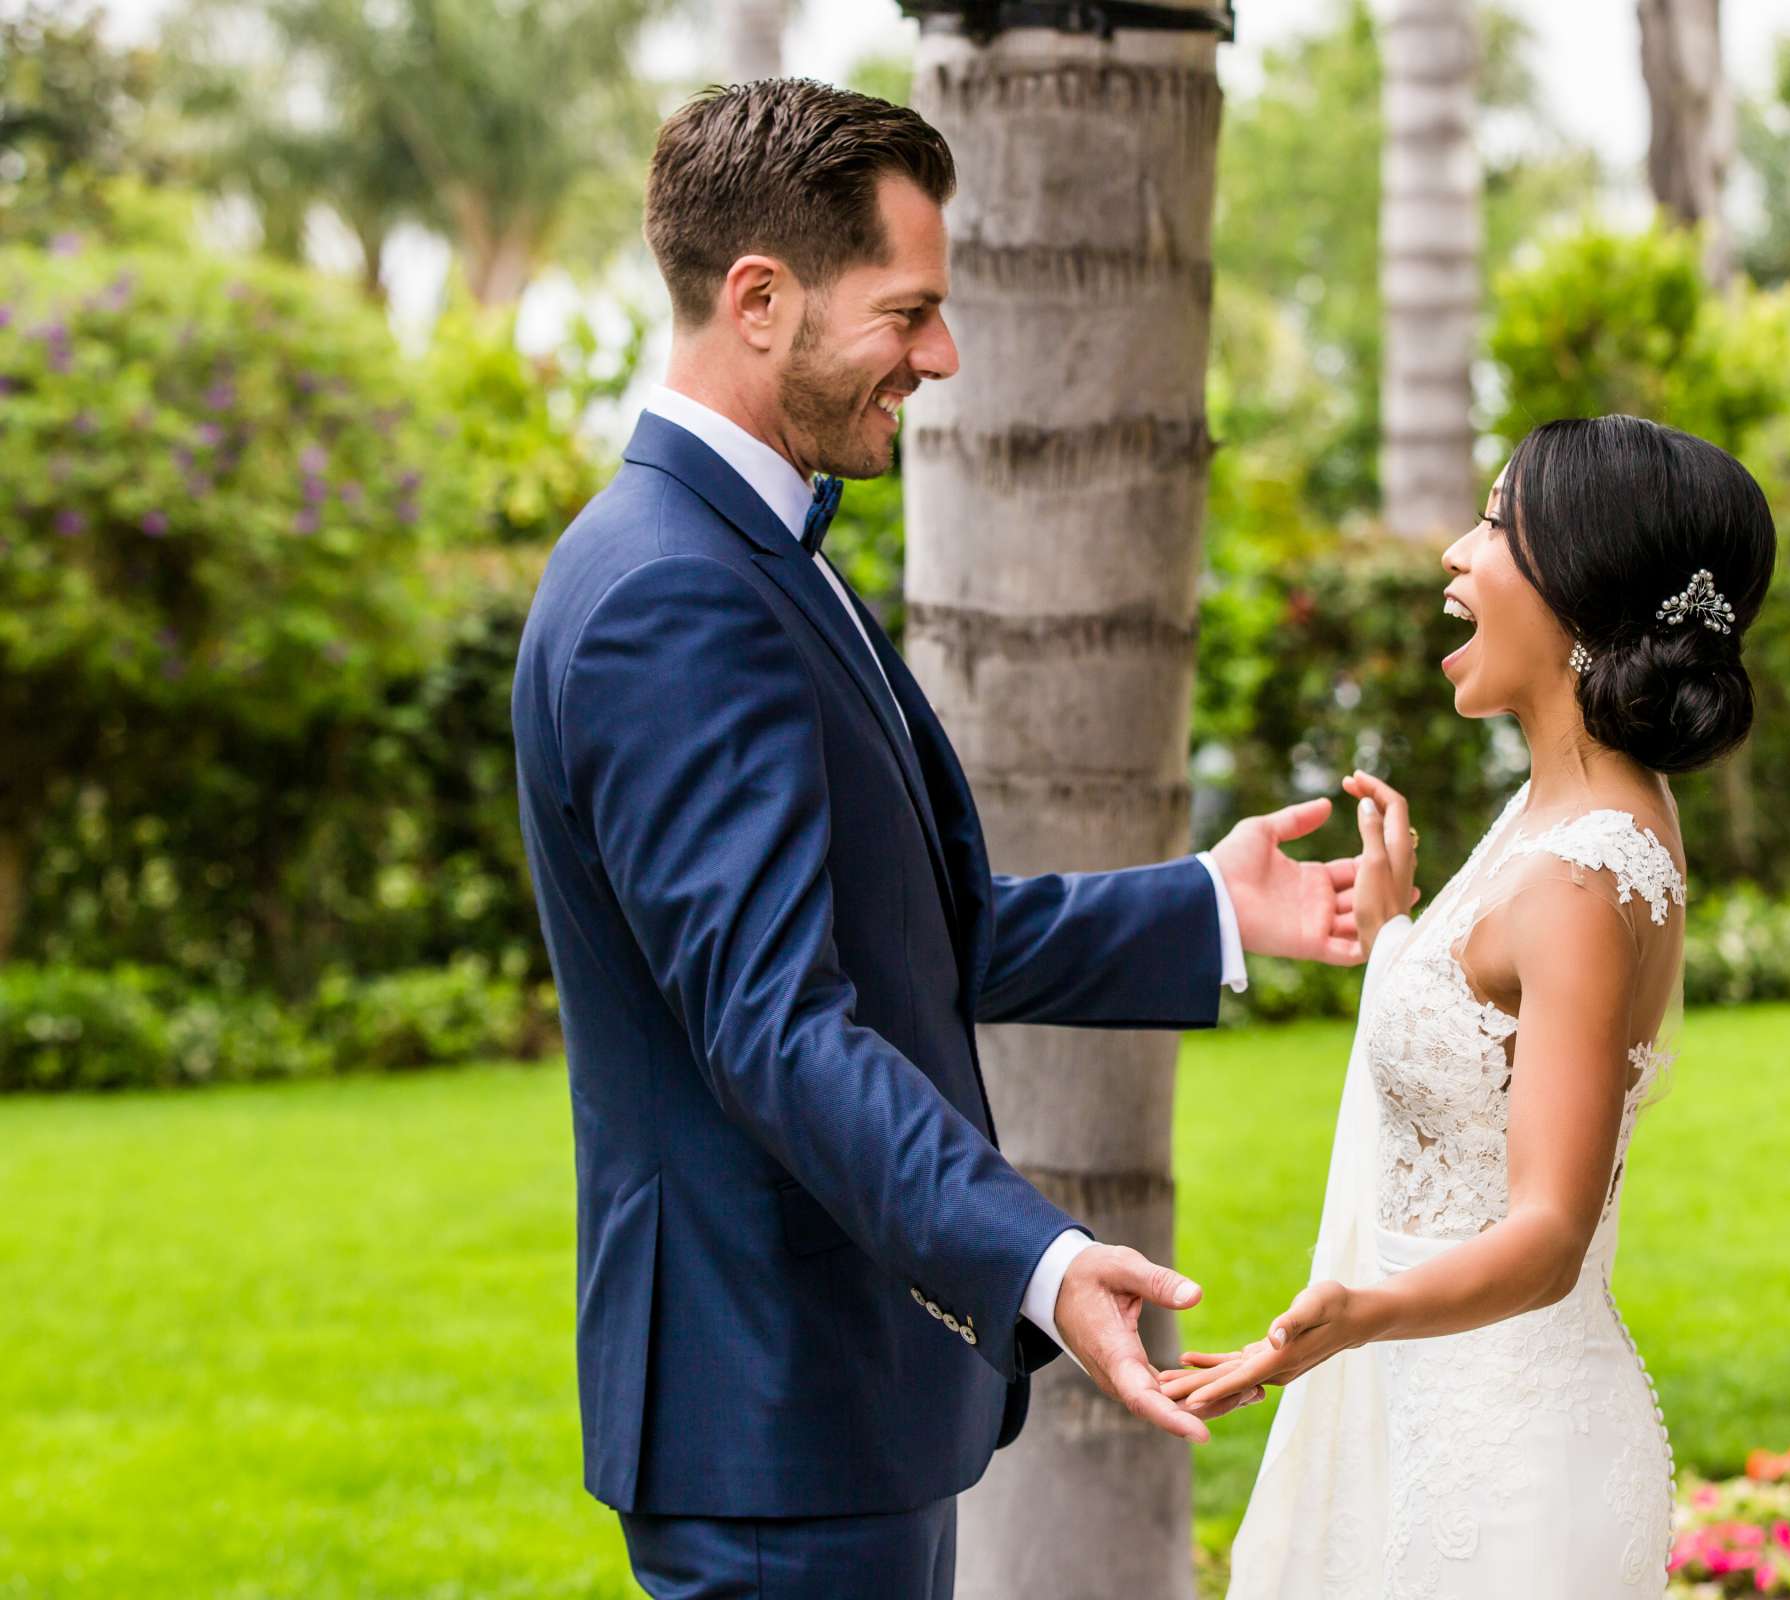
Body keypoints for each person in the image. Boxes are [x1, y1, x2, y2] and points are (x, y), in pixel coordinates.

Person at [510, 80, 1359, 1600]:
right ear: (759, 300)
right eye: (907, 313)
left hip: (831, 1402)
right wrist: (1035, 1260)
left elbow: (917, 925)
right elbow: (773, 1025)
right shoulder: (674, 595)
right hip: (772, 1402)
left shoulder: (748, 551)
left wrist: (1207, 909)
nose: (942, 355)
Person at [1171, 415, 1777, 1599]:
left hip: (1502, 1465)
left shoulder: (1584, 873)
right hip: (1433, 1407)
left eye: (1497, 525)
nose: (1456, 553)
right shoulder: (1562, 815)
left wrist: (1359, 1310)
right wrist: (1401, 933)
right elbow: (1493, 1058)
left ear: (1582, 591)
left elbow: (1548, 1232)